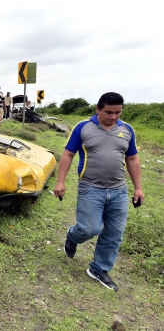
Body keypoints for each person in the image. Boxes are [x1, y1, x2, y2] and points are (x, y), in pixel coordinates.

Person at [54, 92, 144, 292]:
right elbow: (68, 154)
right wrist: (60, 182)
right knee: (89, 229)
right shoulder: (83, 127)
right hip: (90, 188)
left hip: (119, 190)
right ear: (98, 109)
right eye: (109, 112)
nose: (114, 117)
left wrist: (138, 188)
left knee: (114, 234)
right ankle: (72, 236)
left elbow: (132, 159)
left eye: (118, 112)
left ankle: (99, 269)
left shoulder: (127, 129)